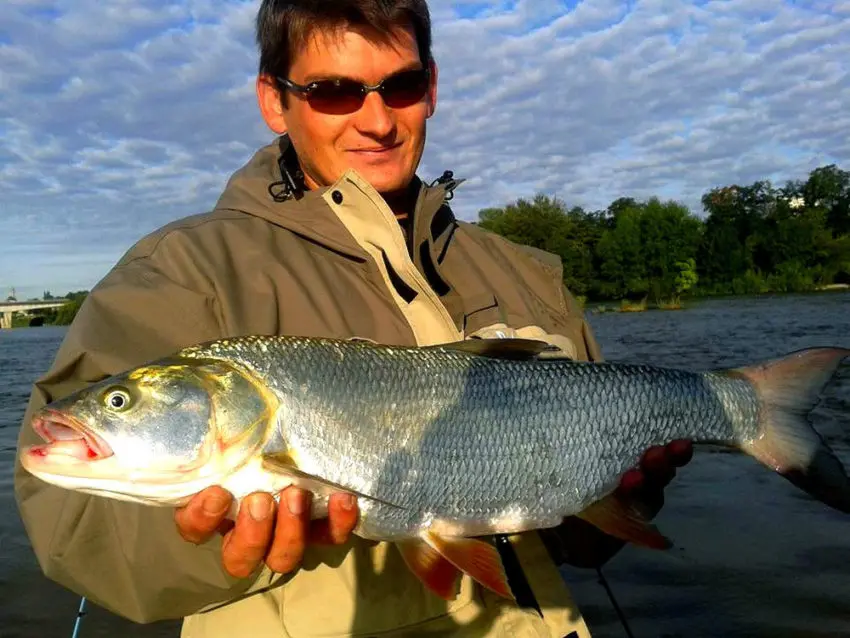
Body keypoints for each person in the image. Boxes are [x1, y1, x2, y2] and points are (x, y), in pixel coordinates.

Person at [14, 1, 692, 636]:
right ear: (274, 101)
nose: (376, 120)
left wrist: (624, 501)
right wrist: (210, 544)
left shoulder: (523, 272)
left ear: (430, 86)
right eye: (334, 92)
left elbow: (581, 545)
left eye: (399, 86)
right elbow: (72, 534)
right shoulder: (181, 273)